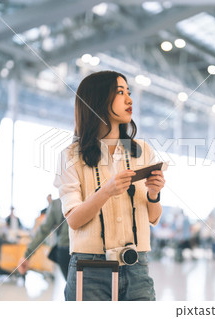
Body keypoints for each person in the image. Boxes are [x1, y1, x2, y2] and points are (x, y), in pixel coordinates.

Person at [54, 71, 165, 301]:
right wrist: (106, 191)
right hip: (90, 270)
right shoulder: (71, 156)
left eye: (129, 93)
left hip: (137, 268)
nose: (129, 99)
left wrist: (154, 193)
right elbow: (74, 219)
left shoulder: (143, 151)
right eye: (120, 92)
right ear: (97, 100)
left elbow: (153, 218)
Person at [18, 194, 70, 279]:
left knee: (74, 288)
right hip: (86, 252)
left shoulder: (57, 204)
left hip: (65, 250)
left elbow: (43, 231)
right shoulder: (89, 195)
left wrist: (27, 255)